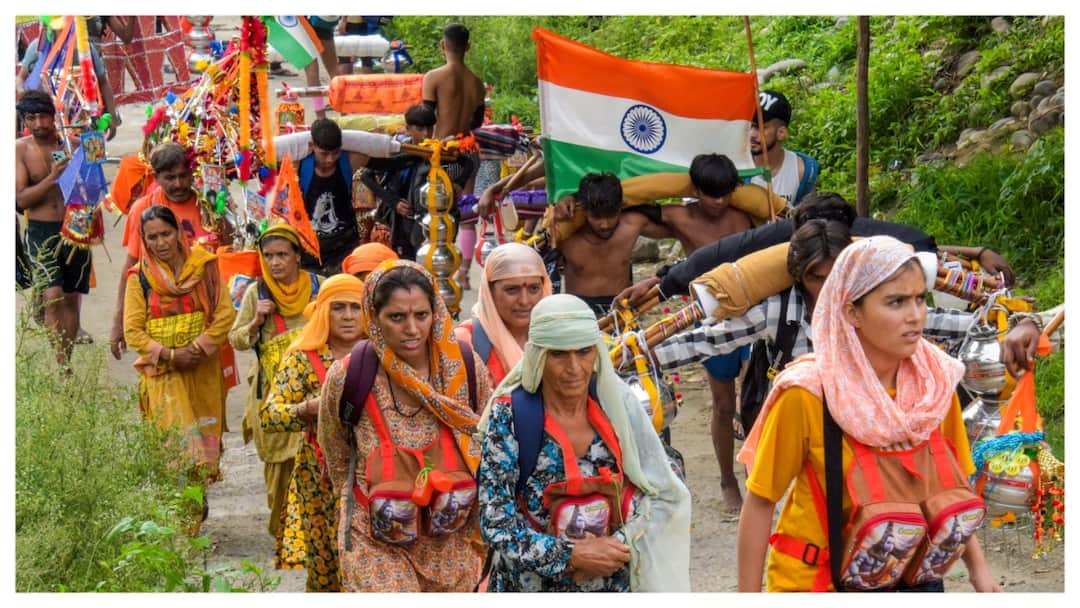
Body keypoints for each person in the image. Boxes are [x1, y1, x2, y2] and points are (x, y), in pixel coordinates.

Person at [735, 236, 1000, 592]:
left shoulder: (935, 385)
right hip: (819, 583)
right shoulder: (810, 393)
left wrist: (979, 571)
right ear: (852, 312)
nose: (915, 315)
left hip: (914, 580)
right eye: (896, 302)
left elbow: (949, 487)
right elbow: (761, 501)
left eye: (920, 298)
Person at [475, 294, 691, 591]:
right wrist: (571, 556)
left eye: (584, 351)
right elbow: (495, 521)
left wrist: (615, 546)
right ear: (538, 355)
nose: (574, 368)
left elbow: (663, 490)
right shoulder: (511, 417)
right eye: (559, 354)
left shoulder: (618, 406)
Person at [317, 261, 494, 592]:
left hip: (450, 538)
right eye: (397, 317)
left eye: (421, 315)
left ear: (435, 313)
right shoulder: (350, 375)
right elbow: (336, 450)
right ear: (374, 317)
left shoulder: (463, 367)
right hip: (375, 536)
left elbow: (490, 436)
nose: (412, 329)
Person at [261, 273, 367, 591]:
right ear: (322, 312)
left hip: (373, 478)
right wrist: (306, 409)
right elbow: (270, 415)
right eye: (338, 308)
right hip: (318, 482)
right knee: (326, 568)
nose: (348, 316)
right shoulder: (302, 358)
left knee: (369, 567)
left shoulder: (380, 354)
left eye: (355, 307)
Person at [122, 205, 235, 480]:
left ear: (178, 233)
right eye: (152, 237)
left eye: (166, 234)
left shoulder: (204, 266)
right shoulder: (139, 278)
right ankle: (184, 505)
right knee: (179, 454)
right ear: (144, 240)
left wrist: (197, 348)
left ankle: (196, 501)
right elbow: (133, 331)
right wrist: (171, 355)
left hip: (203, 368)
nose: (161, 243)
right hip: (164, 372)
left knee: (204, 449)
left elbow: (225, 314)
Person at [228, 224, 324, 543]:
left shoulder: (319, 288)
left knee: (314, 457)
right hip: (272, 392)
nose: (275, 262)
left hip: (314, 389)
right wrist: (256, 321)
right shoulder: (256, 293)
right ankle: (285, 531)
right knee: (278, 464)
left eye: (282, 254)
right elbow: (236, 339)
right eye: (268, 256)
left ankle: (314, 534)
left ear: (297, 256)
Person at [111, 142, 225, 360]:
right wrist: (119, 321)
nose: (179, 184)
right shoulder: (143, 209)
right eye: (170, 178)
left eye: (184, 176)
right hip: (162, 322)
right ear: (156, 177)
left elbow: (229, 253)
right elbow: (131, 267)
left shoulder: (210, 204)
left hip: (208, 317)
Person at [15, 89, 88, 368]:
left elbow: (94, 187)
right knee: (53, 295)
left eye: (43, 116)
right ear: (24, 120)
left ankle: (65, 362)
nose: (39, 124)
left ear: (53, 116)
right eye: (31, 118)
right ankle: (62, 365)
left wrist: (92, 151)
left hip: (75, 227)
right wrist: (53, 177)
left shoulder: (73, 145)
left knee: (70, 297)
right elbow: (21, 199)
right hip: (41, 232)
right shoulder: (20, 149)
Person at [361, 105, 475, 261]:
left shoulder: (439, 150)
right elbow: (366, 176)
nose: (426, 134)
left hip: (431, 221)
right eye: (420, 129)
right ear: (408, 129)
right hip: (402, 220)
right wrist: (394, 202)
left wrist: (459, 184)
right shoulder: (397, 150)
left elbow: (468, 163)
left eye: (430, 128)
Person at [422, 23, 485, 287]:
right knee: (467, 213)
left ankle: (435, 270)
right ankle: (464, 274)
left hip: (443, 152)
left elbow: (426, 118)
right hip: (467, 150)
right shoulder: (477, 84)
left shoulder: (434, 78)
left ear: (442, 45)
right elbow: (477, 123)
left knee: (436, 211)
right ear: (468, 47)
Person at [556, 173, 668, 316]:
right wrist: (567, 198)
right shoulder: (564, 231)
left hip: (621, 312)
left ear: (621, 207)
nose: (605, 225)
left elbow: (681, 222)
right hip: (578, 314)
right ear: (584, 210)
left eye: (611, 215)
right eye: (596, 217)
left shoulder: (632, 224)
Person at [454, 243, 552, 385]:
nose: (524, 301)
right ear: (489, 292)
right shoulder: (466, 342)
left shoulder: (555, 337)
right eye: (512, 290)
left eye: (534, 289)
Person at [298, 118, 369, 275]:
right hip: (309, 248)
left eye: (335, 153)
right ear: (311, 146)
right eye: (324, 154)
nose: (330, 159)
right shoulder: (300, 165)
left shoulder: (350, 161)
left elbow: (375, 145)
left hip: (344, 244)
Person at [749, 90, 819, 206]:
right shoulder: (737, 168)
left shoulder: (803, 170)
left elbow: (809, 213)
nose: (752, 134)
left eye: (760, 128)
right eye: (750, 126)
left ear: (781, 133)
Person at [304, 16, 341, 121]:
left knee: (311, 71)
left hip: (306, 22)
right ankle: (344, 112)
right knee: (334, 70)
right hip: (324, 21)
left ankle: (321, 118)